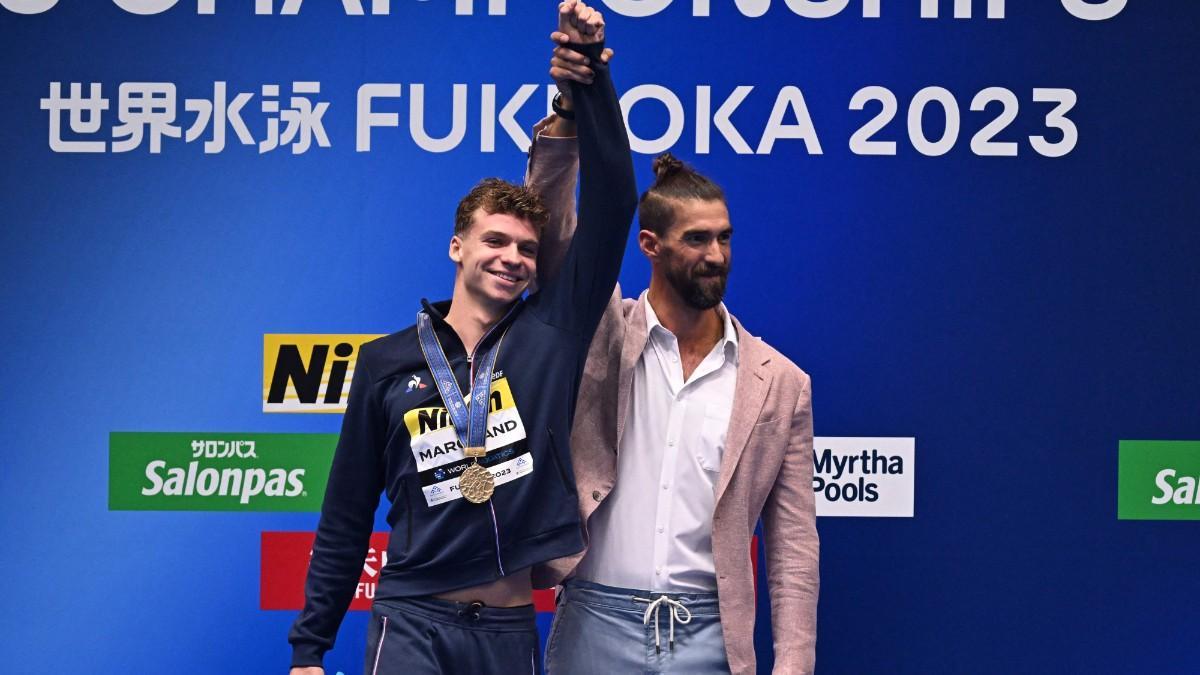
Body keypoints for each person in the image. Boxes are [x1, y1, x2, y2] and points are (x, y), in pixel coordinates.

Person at [287, 3, 636, 673]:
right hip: (412, 618)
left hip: (507, 629)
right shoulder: (386, 361)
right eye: (495, 239)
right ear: (457, 246)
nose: (512, 257)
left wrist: (589, 80)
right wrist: (310, 649)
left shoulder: (554, 332)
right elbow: (346, 511)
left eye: (527, 248)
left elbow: (615, 201)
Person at [524, 45, 819, 675]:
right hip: (594, 624)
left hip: (711, 636)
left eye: (724, 237)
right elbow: (550, 236)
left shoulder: (780, 384)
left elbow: (793, 544)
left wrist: (793, 664)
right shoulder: (602, 330)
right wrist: (569, 118)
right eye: (697, 239)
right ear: (651, 245)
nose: (716, 255)